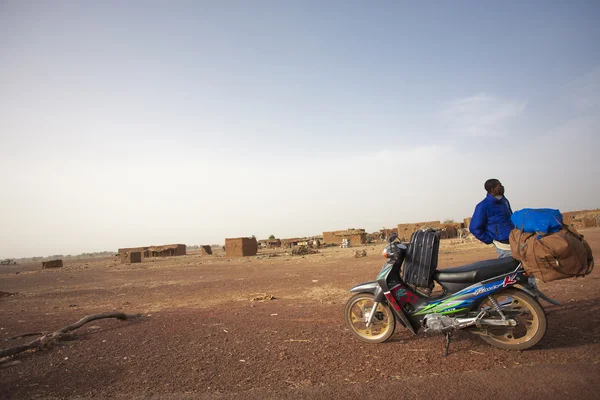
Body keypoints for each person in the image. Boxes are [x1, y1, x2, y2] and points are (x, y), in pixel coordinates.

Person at [469, 179, 514, 258]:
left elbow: (511, 217)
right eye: (499, 186)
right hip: (502, 244)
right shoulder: (483, 206)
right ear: (493, 189)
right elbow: (474, 228)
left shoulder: (505, 201)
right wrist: (490, 240)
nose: (502, 187)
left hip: (514, 240)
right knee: (507, 267)